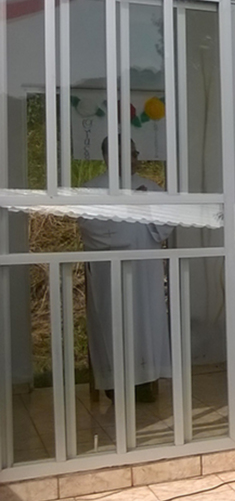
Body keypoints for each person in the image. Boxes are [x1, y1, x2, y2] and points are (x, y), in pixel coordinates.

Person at [78, 138, 174, 403]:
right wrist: (129, 213)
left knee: (146, 321)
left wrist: (144, 206)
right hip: (110, 272)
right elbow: (90, 229)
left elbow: (166, 226)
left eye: (135, 152)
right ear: (109, 157)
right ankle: (114, 384)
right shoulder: (92, 189)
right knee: (113, 322)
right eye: (129, 153)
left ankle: (147, 380)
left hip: (145, 269)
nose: (134, 158)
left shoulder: (150, 187)